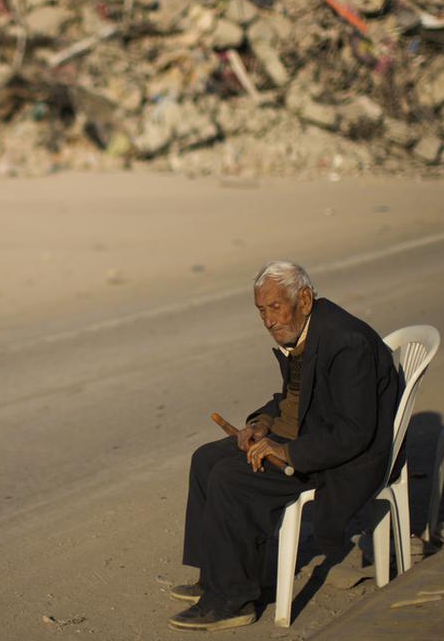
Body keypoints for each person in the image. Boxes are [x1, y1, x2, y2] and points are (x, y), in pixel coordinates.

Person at [168, 261, 401, 631]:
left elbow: (354, 432)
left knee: (232, 477)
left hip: (336, 457)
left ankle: (233, 600)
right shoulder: (308, 330)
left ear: (304, 299)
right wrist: (261, 425)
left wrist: (285, 452)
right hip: (306, 433)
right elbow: (292, 398)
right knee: (206, 459)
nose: (268, 320)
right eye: (261, 310)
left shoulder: (346, 342)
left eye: (275, 307)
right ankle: (215, 575)